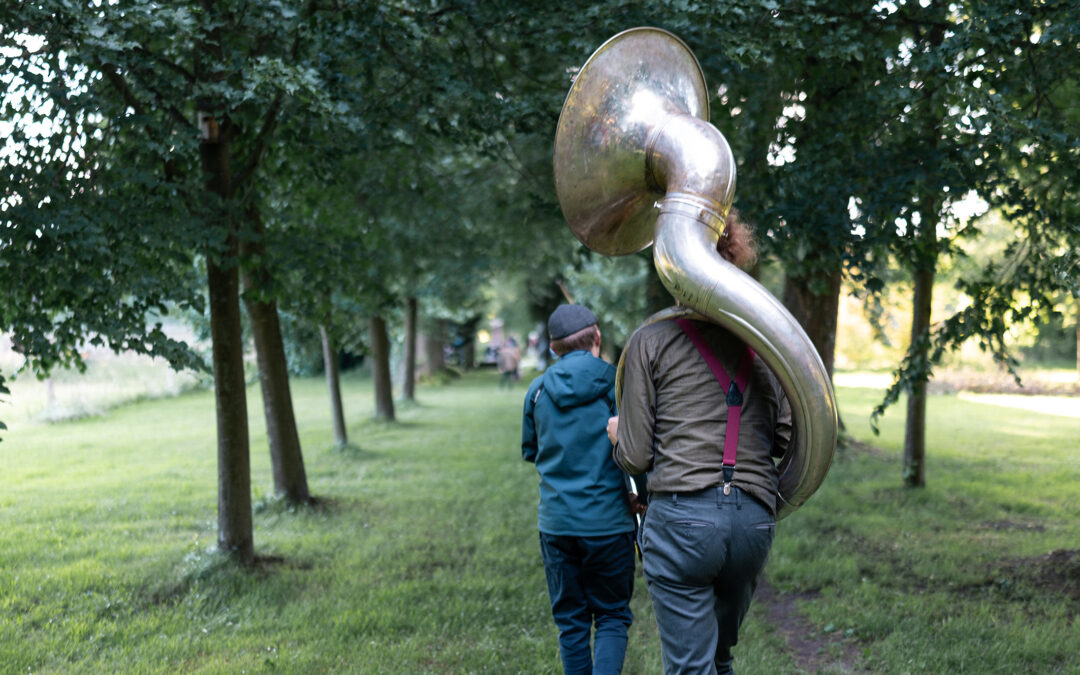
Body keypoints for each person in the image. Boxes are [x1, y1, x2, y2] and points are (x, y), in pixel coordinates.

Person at [608, 212, 792, 674]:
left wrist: (617, 435)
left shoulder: (650, 341)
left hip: (682, 519)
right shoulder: (767, 346)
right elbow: (788, 437)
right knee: (718, 659)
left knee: (692, 667)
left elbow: (635, 456)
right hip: (753, 523)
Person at [521, 304, 638, 675]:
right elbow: (637, 450)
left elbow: (531, 450)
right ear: (597, 337)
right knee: (612, 615)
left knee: (571, 621)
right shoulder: (618, 384)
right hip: (609, 523)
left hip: (557, 525)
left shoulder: (537, 391)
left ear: (553, 347)